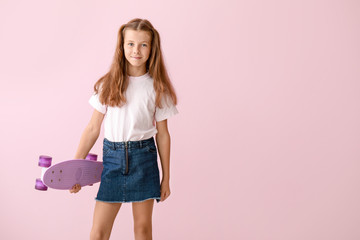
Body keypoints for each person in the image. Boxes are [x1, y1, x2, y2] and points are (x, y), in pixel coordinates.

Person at [69, 18, 179, 240]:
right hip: (113, 160)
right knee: (98, 231)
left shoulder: (157, 88)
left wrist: (166, 177)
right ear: (121, 46)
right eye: (130, 44)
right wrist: (75, 168)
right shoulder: (107, 84)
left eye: (143, 44)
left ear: (152, 48)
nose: (136, 50)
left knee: (143, 229)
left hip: (144, 160)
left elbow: (163, 135)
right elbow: (92, 128)